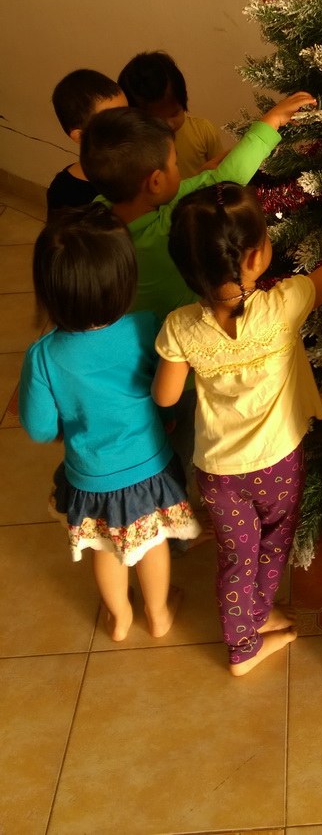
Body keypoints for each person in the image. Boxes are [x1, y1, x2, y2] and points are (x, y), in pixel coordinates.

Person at [151, 182, 322, 675]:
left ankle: (248, 626)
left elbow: (164, 396)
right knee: (273, 544)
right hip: (279, 461)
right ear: (254, 256)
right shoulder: (285, 302)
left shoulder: (180, 326)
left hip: (218, 471)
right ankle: (246, 641)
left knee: (236, 557)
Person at [80, 91, 314, 477]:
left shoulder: (97, 222)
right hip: (185, 368)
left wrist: (200, 174)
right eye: (175, 164)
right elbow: (226, 178)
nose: (183, 174)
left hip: (131, 364)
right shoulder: (169, 223)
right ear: (155, 181)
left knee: (155, 435)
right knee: (186, 439)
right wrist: (272, 120)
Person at [18, 205, 200, 642]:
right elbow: (167, 393)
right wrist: (168, 420)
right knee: (152, 542)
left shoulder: (43, 356)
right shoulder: (146, 327)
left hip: (90, 478)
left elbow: (39, 428)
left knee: (106, 547)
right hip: (150, 468)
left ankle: (119, 618)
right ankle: (158, 615)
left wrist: (67, 427)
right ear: (124, 280)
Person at [119, 50, 224, 178]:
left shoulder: (203, 131)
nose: (169, 124)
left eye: (175, 113)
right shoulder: (136, 147)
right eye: (157, 120)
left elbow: (221, 171)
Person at [47, 69, 127, 212]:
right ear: (80, 136)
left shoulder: (138, 165)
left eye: (127, 114)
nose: (127, 126)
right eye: (112, 123)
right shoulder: (64, 192)